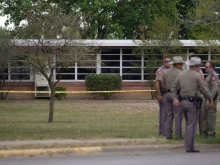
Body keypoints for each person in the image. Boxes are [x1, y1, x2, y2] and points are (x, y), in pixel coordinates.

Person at [171, 57, 212, 153]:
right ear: (196, 66)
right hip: (192, 103)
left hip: (182, 102)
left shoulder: (181, 74)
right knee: (191, 125)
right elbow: (205, 90)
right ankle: (190, 147)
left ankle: (188, 144)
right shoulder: (197, 76)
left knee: (188, 124)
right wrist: (210, 99)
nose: (200, 68)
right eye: (199, 66)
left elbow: (173, 87)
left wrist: (175, 98)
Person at [161, 56, 184, 140]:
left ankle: (168, 134)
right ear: (177, 65)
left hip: (167, 94)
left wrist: (168, 88)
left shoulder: (165, 72)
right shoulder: (180, 73)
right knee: (178, 115)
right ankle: (178, 134)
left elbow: (162, 83)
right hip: (176, 94)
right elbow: (182, 85)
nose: (182, 65)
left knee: (169, 114)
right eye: (181, 64)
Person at [200, 61, 219, 137]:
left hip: (211, 100)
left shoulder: (214, 76)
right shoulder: (208, 75)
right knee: (204, 117)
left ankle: (211, 134)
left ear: (211, 67)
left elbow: (214, 89)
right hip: (206, 99)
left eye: (207, 67)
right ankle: (204, 133)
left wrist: (210, 100)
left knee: (211, 117)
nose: (205, 68)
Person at [155, 56, 171, 135]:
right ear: (163, 62)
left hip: (170, 94)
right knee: (163, 113)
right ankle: (162, 131)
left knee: (170, 113)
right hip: (163, 93)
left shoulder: (172, 70)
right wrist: (159, 94)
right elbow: (157, 83)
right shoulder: (160, 71)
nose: (168, 63)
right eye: (166, 61)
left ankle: (168, 130)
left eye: (169, 61)